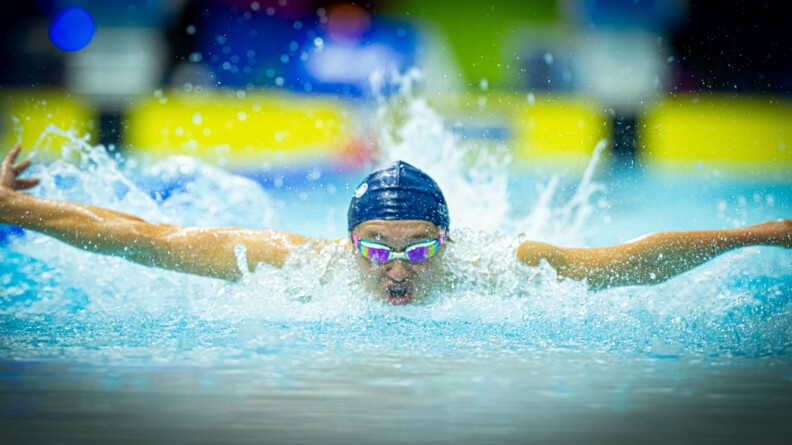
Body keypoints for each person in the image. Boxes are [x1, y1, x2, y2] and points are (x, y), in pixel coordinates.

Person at [1, 144, 790, 305]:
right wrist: (13, 210)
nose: (397, 268)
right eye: (377, 248)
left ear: (447, 240)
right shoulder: (298, 265)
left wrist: (755, 236)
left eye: (418, 248)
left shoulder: (495, 265)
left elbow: (627, 260)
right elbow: (141, 236)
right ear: (351, 243)